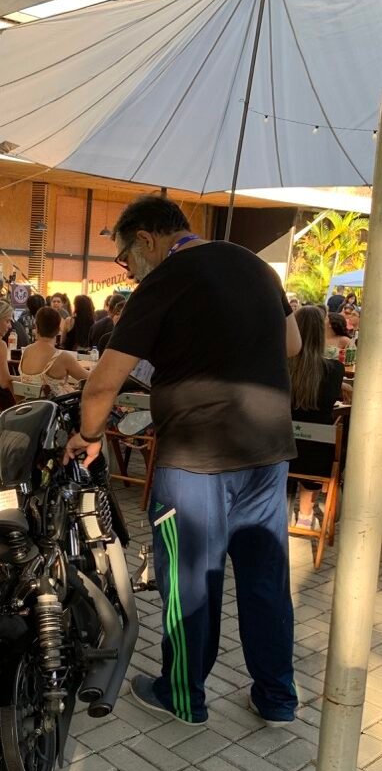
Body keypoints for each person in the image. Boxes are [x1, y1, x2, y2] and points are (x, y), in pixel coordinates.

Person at [64, 195, 302, 728]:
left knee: (189, 582)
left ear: (147, 240)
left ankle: (182, 695)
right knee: (265, 579)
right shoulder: (255, 265)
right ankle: (277, 698)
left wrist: (89, 436)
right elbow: (290, 343)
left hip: (196, 458)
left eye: (125, 257)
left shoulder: (165, 280)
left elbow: (102, 384)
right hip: (268, 454)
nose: (128, 270)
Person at [289, 306, 346, 529]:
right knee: (322, 436)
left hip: (281, 449)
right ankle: (305, 516)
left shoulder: (280, 366)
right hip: (316, 454)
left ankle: (282, 511)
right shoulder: (334, 370)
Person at [19, 307, 91, 394]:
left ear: (36, 327)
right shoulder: (62, 357)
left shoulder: (26, 352)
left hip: (30, 401)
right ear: (58, 329)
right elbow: (90, 379)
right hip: (57, 402)